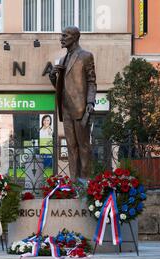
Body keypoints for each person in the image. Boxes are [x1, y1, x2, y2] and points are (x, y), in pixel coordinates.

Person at [49, 26, 97, 180]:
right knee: (71, 147)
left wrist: (90, 102)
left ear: (75, 37)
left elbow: (91, 81)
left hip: (80, 108)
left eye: (65, 35)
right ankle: (74, 181)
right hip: (66, 109)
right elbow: (61, 87)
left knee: (83, 146)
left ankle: (85, 182)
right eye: (61, 35)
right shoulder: (63, 60)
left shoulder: (85, 56)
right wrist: (53, 77)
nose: (61, 38)